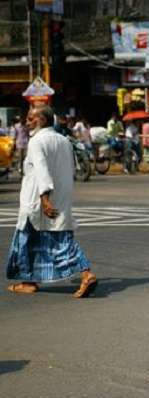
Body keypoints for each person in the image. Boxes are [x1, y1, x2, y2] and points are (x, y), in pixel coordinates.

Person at [5, 105, 97, 297]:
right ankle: (28, 281)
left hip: (38, 199)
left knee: (55, 241)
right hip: (59, 196)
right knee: (30, 238)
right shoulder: (64, 140)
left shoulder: (37, 141)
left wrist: (45, 198)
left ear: (42, 120)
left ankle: (86, 273)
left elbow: (41, 170)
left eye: (30, 118)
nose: (27, 122)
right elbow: (70, 170)